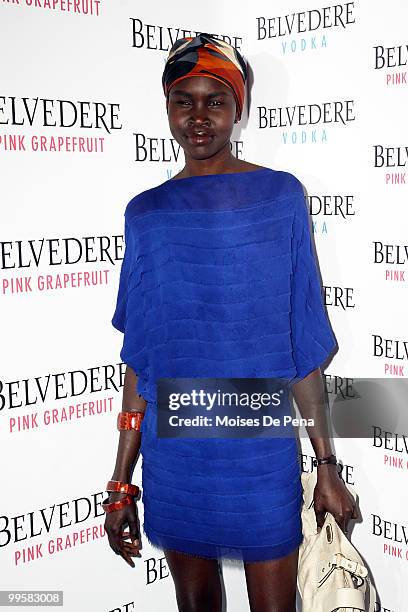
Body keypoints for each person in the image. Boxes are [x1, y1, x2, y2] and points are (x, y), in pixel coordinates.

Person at [103, 33, 357, 612]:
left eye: (214, 101)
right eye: (182, 101)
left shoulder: (279, 197)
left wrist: (325, 466)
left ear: (238, 108)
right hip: (176, 457)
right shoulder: (145, 214)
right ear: (166, 108)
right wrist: (121, 480)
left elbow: (300, 349)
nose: (197, 117)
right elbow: (140, 360)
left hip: (257, 451)